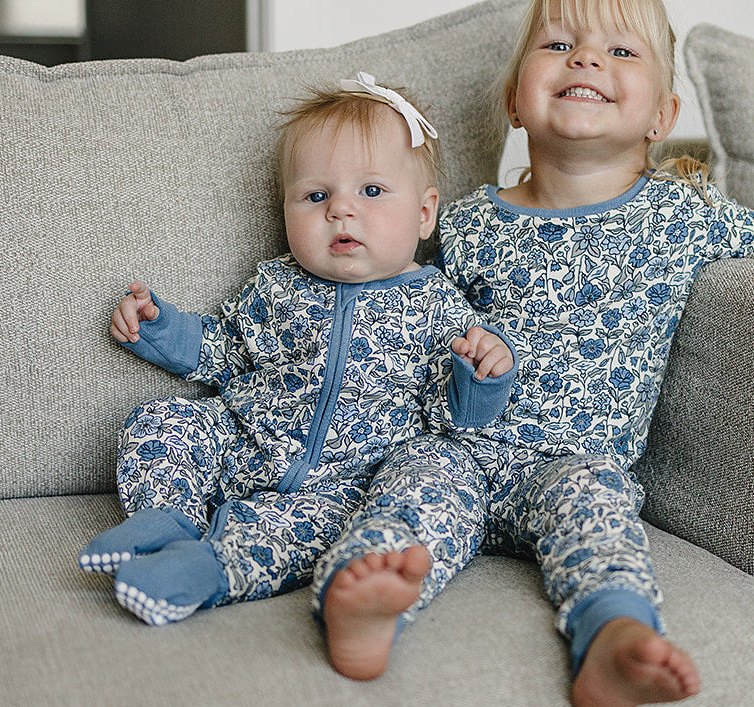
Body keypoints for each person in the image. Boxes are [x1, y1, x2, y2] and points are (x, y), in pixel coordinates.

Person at [309, 0, 754, 707]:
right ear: (515, 101)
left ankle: (612, 640)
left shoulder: (684, 213)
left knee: (601, 522)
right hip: (458, 445)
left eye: (621, 52)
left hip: (576, 464)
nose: (586, 58)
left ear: (660, 114)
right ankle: (360, 604)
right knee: (408, 491)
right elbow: (400, 313)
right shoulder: (462, 222)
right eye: (558, 44)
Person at [78, 73, 516, 626]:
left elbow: (450, 419)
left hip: (345, 484)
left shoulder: (439, 304)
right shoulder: (277, 285)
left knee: (303, 536)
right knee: (160, 421)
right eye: (316, 196)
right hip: (244, 441)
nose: (340, 210)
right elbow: (226, 349)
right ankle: (167, 514)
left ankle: (208, 570)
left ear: (425, 214)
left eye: (372, 191)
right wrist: (159, 327)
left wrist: (481, 379)